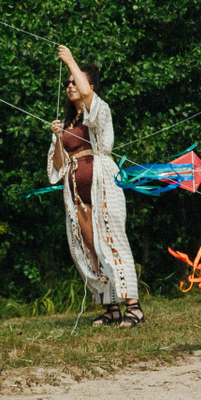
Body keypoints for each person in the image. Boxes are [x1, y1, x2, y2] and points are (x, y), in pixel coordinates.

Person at [46, 45, 142, 327]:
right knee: (90, 247)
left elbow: (88, 96)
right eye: (68, 83)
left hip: (102, 183)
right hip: (76, 192)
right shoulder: (68, 121)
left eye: (75, 81)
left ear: (89, 86)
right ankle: (111, 307)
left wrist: (70, 60)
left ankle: (134, 307)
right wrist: (58, 137)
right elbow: (58, 165)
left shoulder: (98, 111)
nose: (70, 85)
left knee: (112, 241)